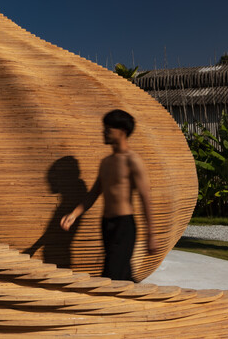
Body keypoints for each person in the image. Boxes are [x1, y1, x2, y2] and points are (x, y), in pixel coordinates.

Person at [60, 109, 156, 281]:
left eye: (108, 129)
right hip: (106, 225)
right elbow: (94, 193)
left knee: (112, 276)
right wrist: (74, 214)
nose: (103, 132)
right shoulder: (106, 162)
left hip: (124, 226)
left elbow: (145, 198)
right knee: (122, 275)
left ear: (122, 132)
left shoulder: (132, 160)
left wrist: (151, 235)